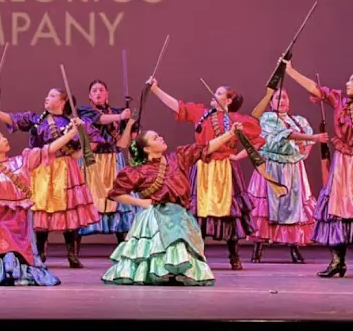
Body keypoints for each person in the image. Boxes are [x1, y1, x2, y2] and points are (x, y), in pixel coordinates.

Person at [101, 119, 244, 286]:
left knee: (180, 241)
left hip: (179, 214)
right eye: (155, 138)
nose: (161, 138)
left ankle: (178, 272)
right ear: (147, 149)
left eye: (159, 136)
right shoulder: (138, 171)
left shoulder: (178, 157)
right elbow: (116, 194)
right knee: (161, 244)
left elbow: (205, 147)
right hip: (155, 215)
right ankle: (158, 272)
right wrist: (141, 202)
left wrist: (230, 134)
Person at [0, 120, 86, 286]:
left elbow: (49, 149)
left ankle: (17, 273)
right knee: (1, 249)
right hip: (0, 220)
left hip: (21, 219)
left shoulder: (22, 161)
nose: (4, 139)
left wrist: (72, 132)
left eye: (2, 136)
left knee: (23, 253)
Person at [147, 77, 261, 270]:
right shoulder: (202, 113)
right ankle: (197, 255)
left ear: (228, 100)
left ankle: (234, 256)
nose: (214, 95)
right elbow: (178, 106)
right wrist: (156, 89)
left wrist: (238, 155)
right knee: (198, 212)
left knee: (229, 212)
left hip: (225, 170)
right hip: (202, 168)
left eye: (219, 93)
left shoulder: (238, 120)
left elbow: (258, 139)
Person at [0, 89, 100, 268]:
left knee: (69, 208)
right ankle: (40, 252)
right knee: (41, 208)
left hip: (65, 168)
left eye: (52, 96)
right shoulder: (36, 119)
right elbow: (15, 119)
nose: (47, 97)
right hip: (41, 169)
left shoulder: (73, 122)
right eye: (47, 95)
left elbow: (94, 139)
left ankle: (72, 254)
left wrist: (78, 153)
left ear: (62, 101)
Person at [283, 60, 353, 277]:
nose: (348, 83)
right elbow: (316, 89)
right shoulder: (340, 101)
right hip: (344, 164)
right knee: (336, 209)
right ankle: (337, 261)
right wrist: (291, 71)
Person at [248, 89, 323, 263]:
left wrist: (303, 154)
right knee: (266, 207)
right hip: (271, 166)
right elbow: (286, 135)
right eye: (277, 97)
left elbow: (307, 140)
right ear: (271, 102)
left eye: (285, 97)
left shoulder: (299, 121)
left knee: (293, 207)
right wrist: (314, 137)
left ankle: (294, 247)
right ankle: (258, 247)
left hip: (293, 168)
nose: (282, 101)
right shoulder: (268, 118)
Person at [77, 80, 138, 244]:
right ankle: (74, 248)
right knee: (89, 196)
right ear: (90, 95)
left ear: (107, 94)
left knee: (117, 198)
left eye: (101, 90)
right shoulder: (84, 111)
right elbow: (100, 120)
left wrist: (130, 121)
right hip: (93, 160)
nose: (98, 93)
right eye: (94, 90)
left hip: (113, 159)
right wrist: (120, 117)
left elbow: (127, 139)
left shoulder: (119, 112)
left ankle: (123, 242)